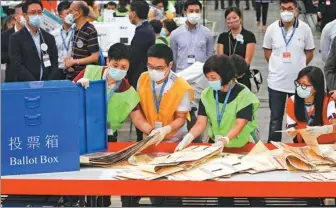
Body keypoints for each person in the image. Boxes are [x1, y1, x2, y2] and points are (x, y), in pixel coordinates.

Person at [121, 44, 194, 207]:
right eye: (150, 66)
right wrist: (151, 131)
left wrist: (165, 130)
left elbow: (181, 118)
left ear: (170, 65)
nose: (154, 71)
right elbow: (137, 110)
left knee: (170, 190)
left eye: (159, 68)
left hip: (175, 142)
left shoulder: (180, 86)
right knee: (149, 184)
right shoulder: (143, 78)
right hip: (151, 140)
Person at [175, 54, 259, 151]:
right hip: (216, 145)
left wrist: (225, 140)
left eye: (213, 78)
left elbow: (239, 124)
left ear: (225, 75)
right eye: (207, 78)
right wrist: (188, 137)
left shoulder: (244, 95)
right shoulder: (206, 94)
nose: (210, 81)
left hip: (241, 145)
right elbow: (200, 123)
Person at [263, 0, 315, 143]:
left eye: (290, 8)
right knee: (275, 118)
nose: (286, 11)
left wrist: (300, 67)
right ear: (279, 10)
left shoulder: (305, 29)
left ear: (296, 10)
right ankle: (273, 148)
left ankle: (300, 147)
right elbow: (267, 52)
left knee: (299, 117)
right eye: (283, 8)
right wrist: (278, 65)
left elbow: (310, 52)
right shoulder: (272, 29)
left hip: (298, 84)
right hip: (276, 82)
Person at [8, 0, 60, 82]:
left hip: (46, 84)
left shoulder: (49, 37)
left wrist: (48, 81)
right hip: (26, 84)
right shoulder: (16, 38)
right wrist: (34, 82)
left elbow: (54, 63)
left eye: (39, 12)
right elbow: (17, 64)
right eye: (33, 13)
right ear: (25, 15)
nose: (37, 15)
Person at [127, 0, 155, 142]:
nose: (128, 14)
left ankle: (141, 139)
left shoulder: (143, 31)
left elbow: (134, 56)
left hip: (139, 76)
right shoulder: (143, 28)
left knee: (140, 109)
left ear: (134, 13)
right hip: (140, 74)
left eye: (129, 11)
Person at [286, 66, 336, 144]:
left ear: (316, 88)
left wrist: (324, 130)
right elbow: (291, 127)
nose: (300, 87)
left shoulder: (328, 101)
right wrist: (291, 131)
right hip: (304, 146)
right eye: (298, 83)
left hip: (327, 146)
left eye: (304, 85)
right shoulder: (292, 101)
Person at [217, 7, 256, 90]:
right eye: (228, 19)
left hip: (242, 77)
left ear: (240, 18)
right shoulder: (223, 37)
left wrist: (237, 74)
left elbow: (247, 60)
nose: (232, 20)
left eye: (234, 17)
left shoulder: (249, 36)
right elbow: (221, 59)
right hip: (226, 78)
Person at [170, 0, 214, 73]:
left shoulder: (207, 33)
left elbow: (210, 56)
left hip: (200, 74)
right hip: (182, 74)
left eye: (197, 11)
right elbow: (173, 58)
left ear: (200, 12)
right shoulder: (175, 34)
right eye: (191, 11)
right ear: (185, 12)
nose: (194, 13)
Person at [64, 1, 99, 80]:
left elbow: (94, 57)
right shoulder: (75, 29)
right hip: (73, 74)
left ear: (78, 13)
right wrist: (69, 61)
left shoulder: (90, 30)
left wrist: (74, 62)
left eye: (70, 11)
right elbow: (75, 50)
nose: (68, 14)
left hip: (85, 76)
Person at [1, 3, 25, 82]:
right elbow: (2, 58)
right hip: (13, 78)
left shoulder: (35, 33)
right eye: (23, 14)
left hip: (32, 79)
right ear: (16, 16)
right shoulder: (5, 35)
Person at [51, 1, 74, 80]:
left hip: (74, 69)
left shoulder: (78, 31)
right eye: (68, 13)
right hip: (58, 71)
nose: (71, 15)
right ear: (61, 16)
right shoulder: (53, 34)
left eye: (72, 12)